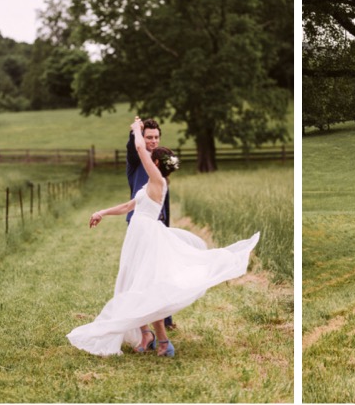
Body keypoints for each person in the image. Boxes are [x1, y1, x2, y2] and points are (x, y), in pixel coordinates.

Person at [67, 118, 259, 357]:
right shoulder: (150, 183)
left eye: (152, 153)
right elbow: (129, 205)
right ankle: (150, 336)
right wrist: (102, 212)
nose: (149, 151)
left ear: (156, 162)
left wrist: (136, 129)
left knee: (148, 287)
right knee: (136, 284)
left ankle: (163, 341)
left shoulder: (158, 180)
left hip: (147, 236)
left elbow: (139, 148)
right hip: (137, 236)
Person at [126, 118, 176, 331]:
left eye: (156, 137)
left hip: (159, 223)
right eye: (149, 137)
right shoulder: (137, 160)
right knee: (141, 273)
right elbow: (133, 146)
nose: (153, 141)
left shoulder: (159, 162)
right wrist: (135, 130)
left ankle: (164, 318)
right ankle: (142, 322)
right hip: (140, 224)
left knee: (161, 271)